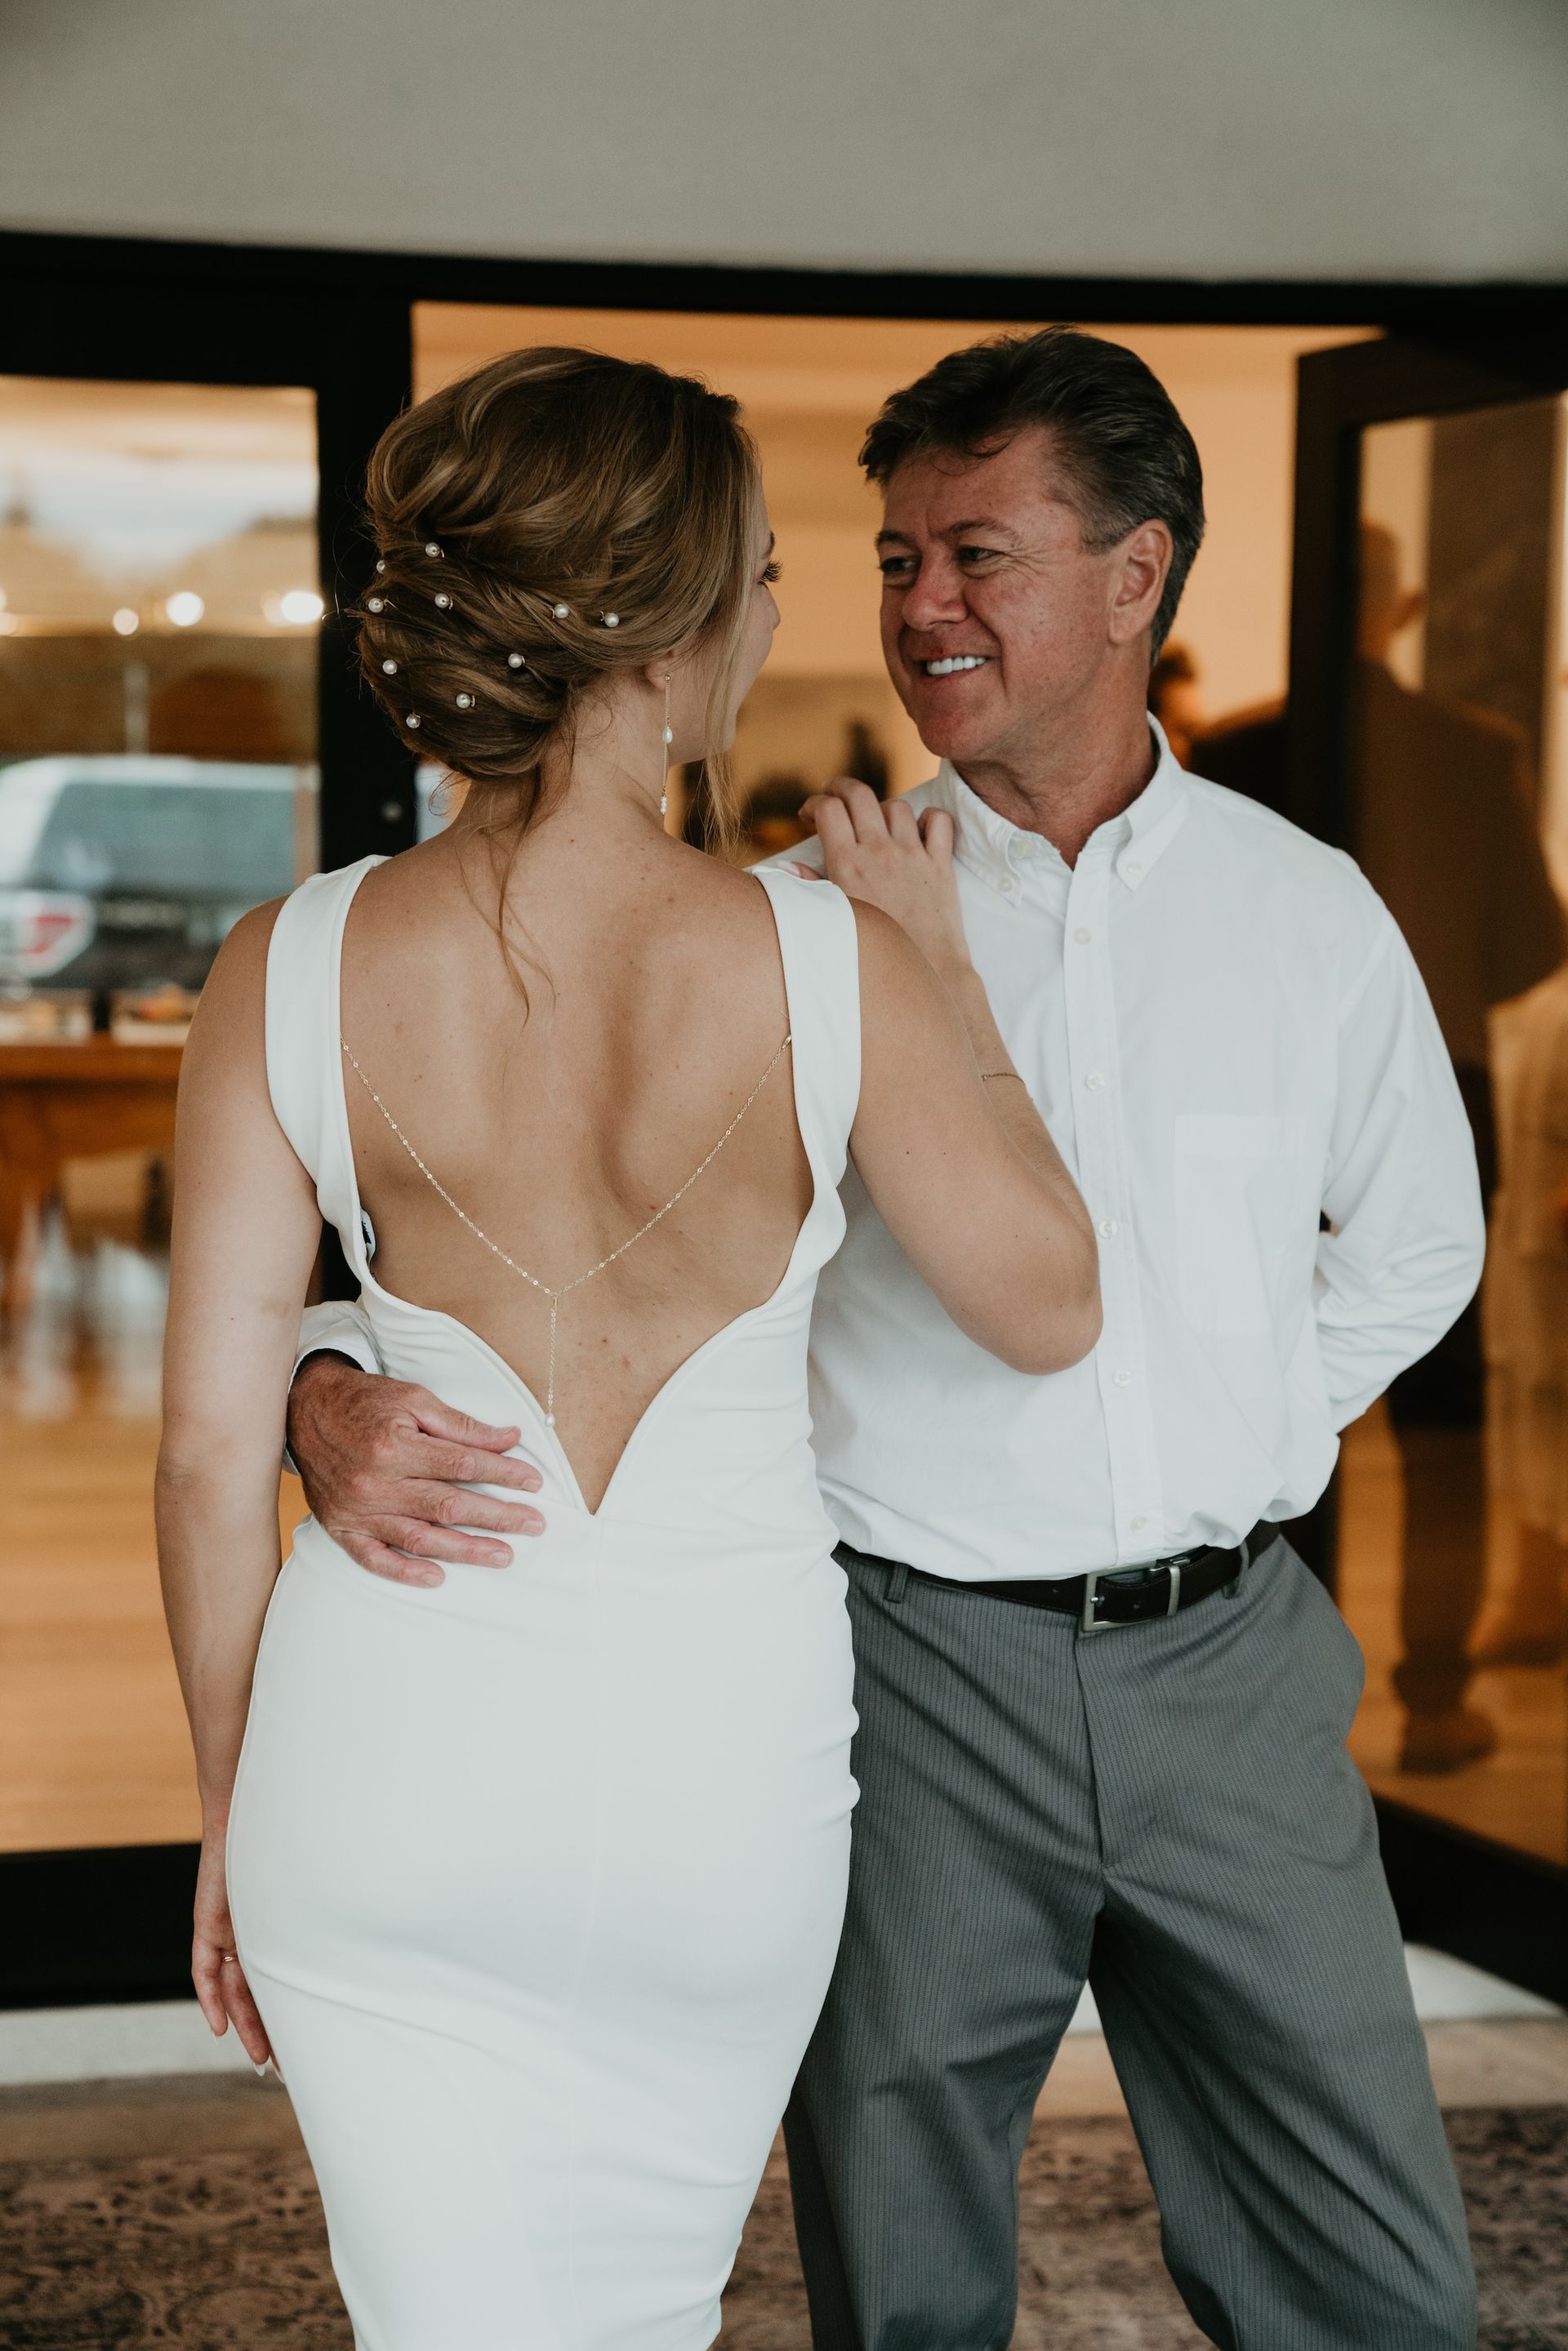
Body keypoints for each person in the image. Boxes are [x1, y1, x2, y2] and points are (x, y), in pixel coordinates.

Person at [286, 328, 1484, 2349]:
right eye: (895, 558)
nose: (925, 604)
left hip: (1233, 1667)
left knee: (1375, 2272)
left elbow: (1420, 1248)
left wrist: (1220, 1437)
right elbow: (487, 1227)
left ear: (1138, 576)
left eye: (980, 554)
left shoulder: (1312, 914)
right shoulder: (773, 929)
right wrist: (323, 1386)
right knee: (900, 2253)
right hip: (907, 1666)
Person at [154, 346, 1099, 2351]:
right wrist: (939, 974)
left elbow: (201, 1451)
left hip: (384, 1775)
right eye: (760, 575)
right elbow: (1050, 1302)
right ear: (664, 633)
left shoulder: (285, 964)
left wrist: (234, 1803)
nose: (776, 618)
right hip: (716, 1797)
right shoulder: (831, 965)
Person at [1352, 520, 1563, 1769]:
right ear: (1412, 604)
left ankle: (1264, 1687)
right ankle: (1434, 1696)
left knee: (1261, 1391)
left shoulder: (1246, 750)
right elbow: (1535, 948)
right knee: (1440, 1421)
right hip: (1444, 1090)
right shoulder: (1476, 754)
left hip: (1266, 1103)